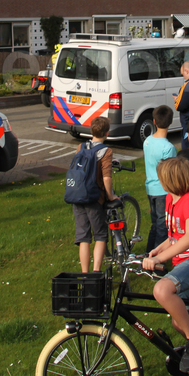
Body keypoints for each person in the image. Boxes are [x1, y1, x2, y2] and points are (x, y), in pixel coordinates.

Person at [143, 157, 189, 374]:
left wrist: (160, 259)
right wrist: (159, 249)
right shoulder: (170, 199)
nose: (159, 181)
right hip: (183, 263)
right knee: (180, 322)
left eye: (162, 178)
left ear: (171, 179)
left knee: (162, 290)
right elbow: (175, 235)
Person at [71, 117, 117, 273]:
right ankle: (96, 272)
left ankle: (85, 274)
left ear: (91, 131)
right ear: (107, 133)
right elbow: (106, 178)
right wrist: (110, 196)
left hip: (77, 196)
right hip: (94, 198)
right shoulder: (106, 151)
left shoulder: (80, 147)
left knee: (83, 237)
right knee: (100, 235)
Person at [143, 105, 176, 252]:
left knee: (155, 224)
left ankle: (148, 254)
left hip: (150, 188)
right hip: (163, 190)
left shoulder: (147, 141)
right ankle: (157, 261)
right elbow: (170, 174)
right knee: (163, 227)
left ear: (154, 121)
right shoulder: (168, 148)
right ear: (170, 122)